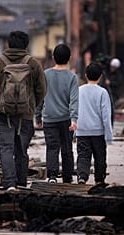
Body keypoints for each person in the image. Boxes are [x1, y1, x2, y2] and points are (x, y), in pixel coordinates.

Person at [0, 31, 47, 189]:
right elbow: (42, 90)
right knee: (21, 150)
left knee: (5, 149)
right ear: (26, 45)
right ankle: (21, 182)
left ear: (8, 44)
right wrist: (31, 105)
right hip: (25, 115)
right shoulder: (33, 64)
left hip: (2, 114)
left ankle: (9, 183)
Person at [35, 44, 79, 183]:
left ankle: (52, 176)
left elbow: (39, 97)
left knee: (52, 148)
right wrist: (74, 119)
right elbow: (74, 100)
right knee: (67, 149)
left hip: (49, 119)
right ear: (69, 58)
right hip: (66, 119)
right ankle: (67, 177)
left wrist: (38, 115)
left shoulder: (45, 75)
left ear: (53, 58)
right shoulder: (72, 77)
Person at [76, 63, 113, 185]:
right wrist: (108, 135)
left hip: (82, 131)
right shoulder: (102, 92)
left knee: (83, 156)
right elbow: (106, 116)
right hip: (98, 132)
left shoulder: (79, 91)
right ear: (100, 76)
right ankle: (99, 179)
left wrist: (74, 129)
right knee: (100, 157)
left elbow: (73, 111)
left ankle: (82, 176)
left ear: (86, 75)